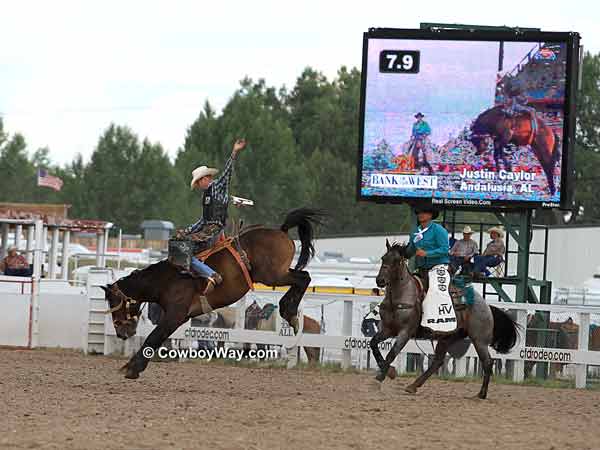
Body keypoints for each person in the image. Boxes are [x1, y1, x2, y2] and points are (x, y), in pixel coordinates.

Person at [178, 138, 247, 293]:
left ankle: (210, 274)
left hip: (213, 231)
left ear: (205, 179)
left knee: (181, 250)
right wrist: (188, 230)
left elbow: (227, 172)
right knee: (181, 245)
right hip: (210, 230)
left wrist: (234, 152)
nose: (197, 186)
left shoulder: (217, 186)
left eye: (198, 182)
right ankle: (198, 272)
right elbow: (204, 219)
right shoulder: (207, 194)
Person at [404, 206, 455, 332]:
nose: (421, 214)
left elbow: (445, 249)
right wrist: (400, 254)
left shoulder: (439, 230)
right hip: (422, 268)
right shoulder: (415, 231)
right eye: (419, 212)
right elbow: (411, 250)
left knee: (437, 290)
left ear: (431, 215)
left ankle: (440, 320)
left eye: (424, 212)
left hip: (438, 267)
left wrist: (427, 253)